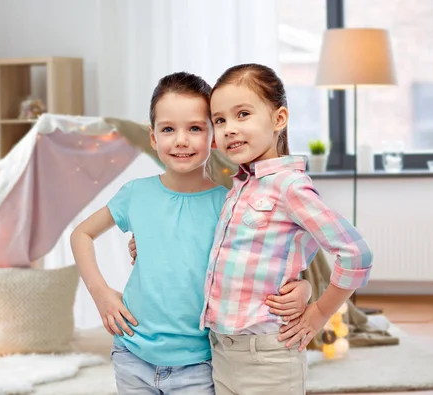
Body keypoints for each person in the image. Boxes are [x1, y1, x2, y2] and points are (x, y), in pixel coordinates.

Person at [70, 71, 311, 395]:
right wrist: (100, 293)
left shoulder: (230, 204)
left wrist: (304, 289)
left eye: (195, 128)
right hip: (131, 355)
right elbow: (81, 234)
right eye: (168, 129)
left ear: (213, 137)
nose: (181, 140)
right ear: (153, 137)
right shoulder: (135, 194)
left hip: (200, 363)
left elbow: (271, 262)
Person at [197, 63, 374, 395]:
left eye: (243, 114)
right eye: (219, 120)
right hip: (222, 351)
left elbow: (356, 254)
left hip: (269, 356)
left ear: (279, 119)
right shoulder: (238, 188)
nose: (229, 128)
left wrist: (319, 311)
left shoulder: (290, 187)